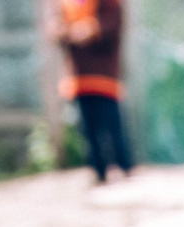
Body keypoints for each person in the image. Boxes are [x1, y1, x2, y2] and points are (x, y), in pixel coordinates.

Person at [50, 0, 130, 184]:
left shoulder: (109, 4)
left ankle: (123, 165)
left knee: (111, 124)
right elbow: (55, 29)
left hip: (104, 76)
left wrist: (92, 30)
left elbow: (112, 25)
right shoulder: (66, 5)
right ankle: (98, 169)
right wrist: (65, 31)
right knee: (88, 127)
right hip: (80, 77)